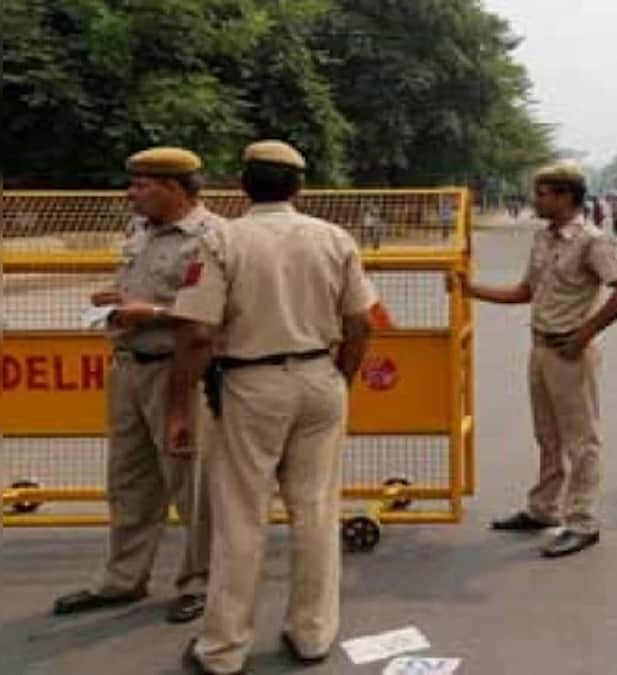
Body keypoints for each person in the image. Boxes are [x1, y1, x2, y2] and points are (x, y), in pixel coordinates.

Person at [167, 140, 376, 674]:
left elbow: (196, 334)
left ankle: (223, 649)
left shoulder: (221, 241)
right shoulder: (333, 238)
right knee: (315, 509)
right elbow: (361, 323)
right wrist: (340, 379)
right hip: (318, 377)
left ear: (242, 185)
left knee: (240, 516)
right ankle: (311, 634)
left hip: (249, 382)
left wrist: (178, 408)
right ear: (299, 187)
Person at [52, 147, 219, 625]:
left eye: (141, 185)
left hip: (179, 369)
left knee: (191, 480)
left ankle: (202, 581)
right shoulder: (140, 232)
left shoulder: (208, 239)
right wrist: (118, 301)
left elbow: (213, 315)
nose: (131, 194)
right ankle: (123, 578)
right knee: (129, 479)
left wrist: (154, 313)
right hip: (129, 365)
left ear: (173, 188)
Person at [462, 163, 617, 558]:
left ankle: (582, 521)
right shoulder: (543, 238)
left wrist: (585, 334)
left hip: (569, 350)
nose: (534, 200)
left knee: (581, 440)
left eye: (542, 193)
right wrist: (471, 290)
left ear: (565, 197)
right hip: (541, 346)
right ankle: (543, 508)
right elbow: (526, 291)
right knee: (548, 435)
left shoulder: (593, 241)